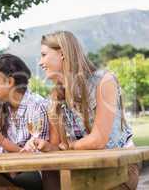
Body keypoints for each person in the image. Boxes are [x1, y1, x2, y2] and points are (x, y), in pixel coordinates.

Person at [27, 31, 138, 189]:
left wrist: (70, 146)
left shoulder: (103, 81)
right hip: (82, 169)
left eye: (44, 55)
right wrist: (45, 146)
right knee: (50, 173)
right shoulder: (56, 96)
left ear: (63, 53)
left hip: (118, 168)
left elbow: (98, 140)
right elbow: (58, 148)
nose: (40, 62)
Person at [0, 53, 50, 190]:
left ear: (10, 82)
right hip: (6, 167)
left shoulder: (37, 106)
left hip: (33, 172)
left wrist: (2, 141)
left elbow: (36, 158)